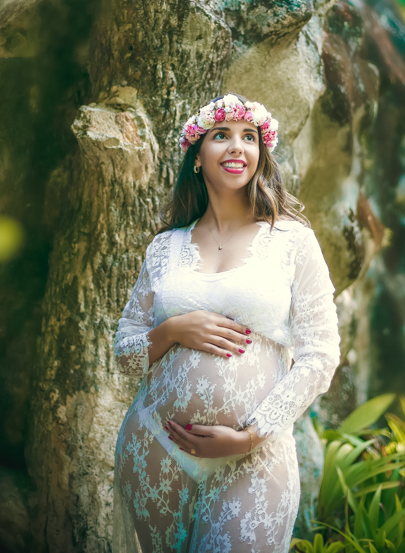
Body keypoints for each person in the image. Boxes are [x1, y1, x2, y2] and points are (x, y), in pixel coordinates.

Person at [112, 92, 341, 553]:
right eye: (222, 135)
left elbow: (321, 354)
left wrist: (249, 436)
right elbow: (125, 349)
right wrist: (173, 330)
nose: (238, 147)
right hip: (155, 445)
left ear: (261, 154)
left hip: (254, 456)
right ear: (197, 157)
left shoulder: (292, 241)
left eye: (249, 137)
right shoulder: (165, 248)